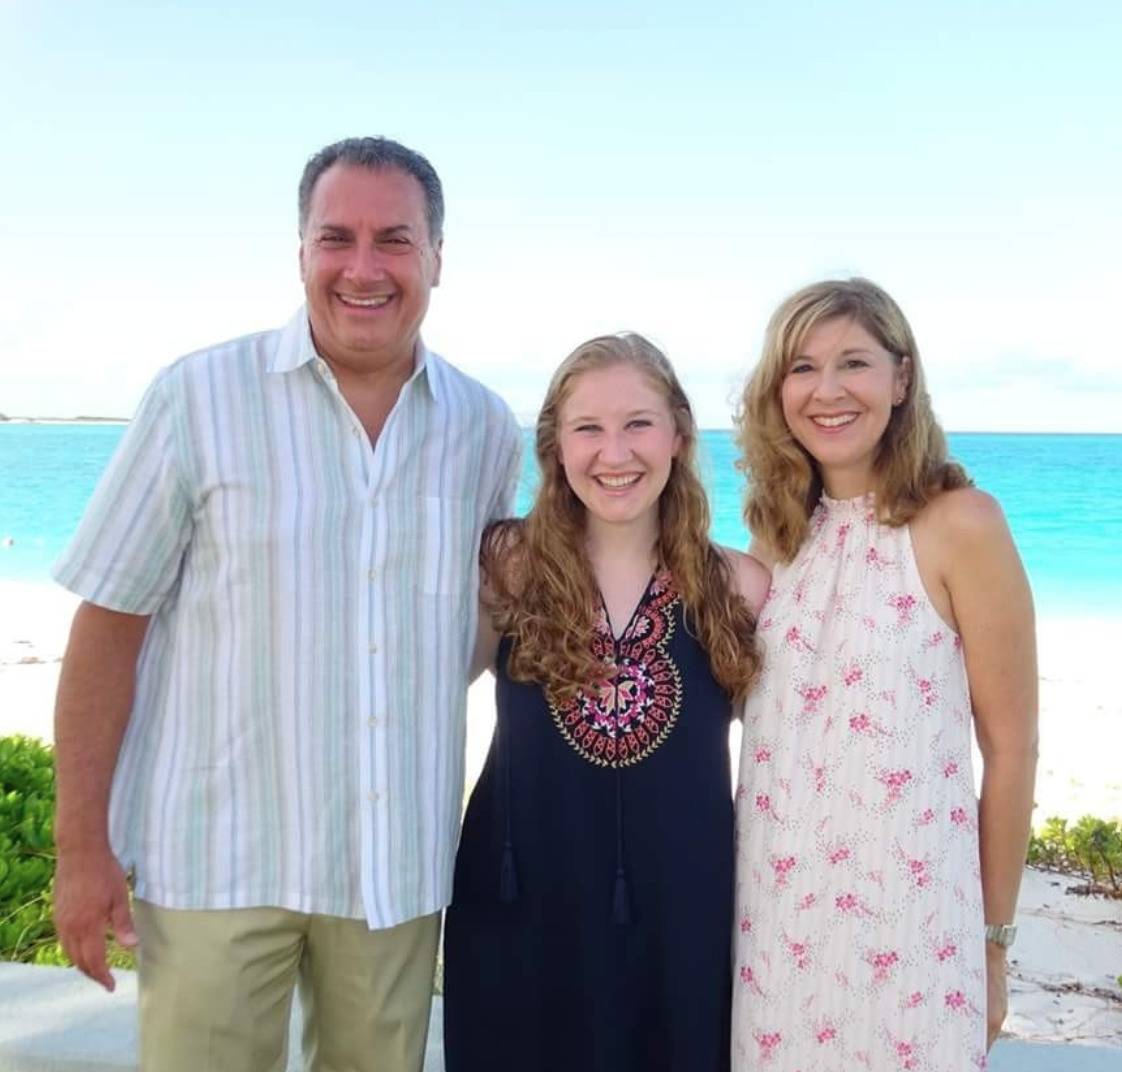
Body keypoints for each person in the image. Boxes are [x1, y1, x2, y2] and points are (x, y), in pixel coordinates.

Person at [50, 137, 521, 1072]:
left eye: (395, 240)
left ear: (436, 257)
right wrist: (81, 850)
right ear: (299, 251)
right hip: (218, 862)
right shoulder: (199, 398)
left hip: (394, 870)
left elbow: (466, 630)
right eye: (334, 237)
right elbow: (108, 626)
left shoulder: (484, 426)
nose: (363, 268)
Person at [730, 278, 1037, 1071]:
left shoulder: (962, 525)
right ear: (777, 391)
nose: (827, 391)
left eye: (854, 363)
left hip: (914, 940)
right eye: (801, 368)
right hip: (772, 930)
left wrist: (993, 947)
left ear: (901, 380)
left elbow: (1011, 754)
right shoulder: (772, 540)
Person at [443, 333, 770, 1072]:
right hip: (520, 903)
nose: (614, 453)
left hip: (679, 913)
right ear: (555, 446)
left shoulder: (740, 587)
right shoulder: (507, 566)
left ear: (680, 435)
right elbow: (422, 694)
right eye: (587, 428)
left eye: (638, 424)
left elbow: (798, 760)